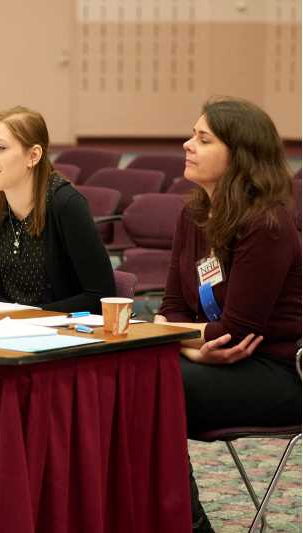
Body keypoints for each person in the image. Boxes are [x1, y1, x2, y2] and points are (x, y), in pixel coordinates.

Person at [154, 98, 301, 532]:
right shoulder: (194, 212)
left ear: (239, 155)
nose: (187, 144)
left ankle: (190, 526)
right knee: (134, 376)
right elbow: (170, 309)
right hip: (215, 360)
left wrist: (176, 337)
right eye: (192, 135)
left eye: (203, 139)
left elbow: (237, 333)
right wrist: (196, 351)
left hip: (278, 371)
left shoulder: (266, 223)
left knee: (151, 387)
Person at [0, 106, 115, 312]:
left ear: (33, 155)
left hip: (62, 331)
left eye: (0, 148)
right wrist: (7, 313)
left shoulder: (66, 204)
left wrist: (30, 317)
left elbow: (100, 295)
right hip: (6, 326)